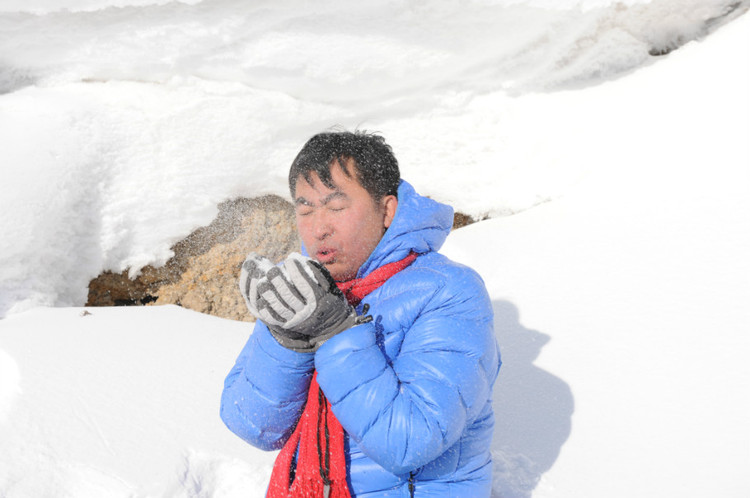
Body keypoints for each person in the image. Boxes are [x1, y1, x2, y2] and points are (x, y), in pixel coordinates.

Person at [220, 130, 501, 497]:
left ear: (387, 210)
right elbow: (252, 424)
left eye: (336, 207)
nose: (318, 228)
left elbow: (409, 440)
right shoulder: (310, 292)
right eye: (305, 208)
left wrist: (336, 334)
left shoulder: (449, 292)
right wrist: (286, 339)